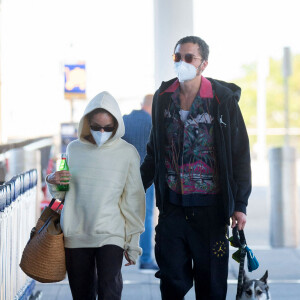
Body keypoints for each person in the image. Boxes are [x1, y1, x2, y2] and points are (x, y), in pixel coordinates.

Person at [140, 36, 251, 300]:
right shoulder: (163, 98)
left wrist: (240, 204)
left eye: (189, 57)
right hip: (172, 210)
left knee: (212, 285)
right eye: (177, 57)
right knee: (171, 282)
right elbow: (155, 151)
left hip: (211, 212)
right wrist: (132, 188)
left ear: (204, 64)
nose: (182, 62)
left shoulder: (221, 100)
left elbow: (239, 154)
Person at [46, 91, 145, 300]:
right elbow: (62, 192)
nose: (102, 131)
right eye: (96, 126)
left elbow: (133, 201)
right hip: (76, 234)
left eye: (108, 127)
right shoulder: (72, 150)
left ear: (116, 125)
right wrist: (52, 180)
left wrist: (133, 243)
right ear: (86, 123)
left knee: (110, 293)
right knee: (82, 295)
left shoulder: (127, 153)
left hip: (111, 234)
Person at [123, 94, 158, 270]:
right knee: (146, 216)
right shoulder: (154, 124)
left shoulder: (125, 120)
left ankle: (117, 253)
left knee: (121, 214)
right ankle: (145, 259)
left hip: (123, 175)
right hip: (146, 177)